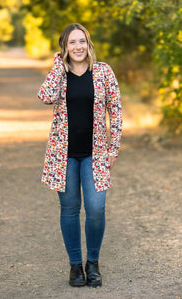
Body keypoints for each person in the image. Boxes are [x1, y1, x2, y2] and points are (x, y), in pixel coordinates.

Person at [38, 23, 122, 288]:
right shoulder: (60, 74)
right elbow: (45, 96)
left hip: (95, 153)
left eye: (82, 41)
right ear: (64, 47)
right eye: (72, 43)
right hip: (63, 155)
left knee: (96, 208)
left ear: (89, 44)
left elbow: (115, 110)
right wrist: (56, 66)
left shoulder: (103, 71)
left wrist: (113, 148)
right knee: (70, 209)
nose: (78, 47)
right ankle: (75, 266)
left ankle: (92, 263)